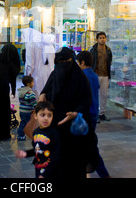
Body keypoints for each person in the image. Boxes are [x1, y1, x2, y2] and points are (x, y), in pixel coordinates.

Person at [38, 47, 99, 179]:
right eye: (61, 61)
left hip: (73, 132)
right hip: (56, 129)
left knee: (74, 166)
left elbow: (86, 101)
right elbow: (47, 88)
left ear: (72, 60)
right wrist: (42, 94)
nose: (64, 64)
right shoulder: (55, 74)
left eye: (67, 61)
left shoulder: (81, 79)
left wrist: (76, 113)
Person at [76, 51, 110, 178]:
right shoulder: (94, 75)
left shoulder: (82, 75)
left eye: (78, 63)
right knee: (88, 145)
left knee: (89, 147)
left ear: (83, 62)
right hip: (93, 112)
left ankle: (104, 173)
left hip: (85, 115)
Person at [15, 101, 60, 179]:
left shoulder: (54, 133)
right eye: (42, 115)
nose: (46, 118)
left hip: (50, 171)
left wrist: (45, 174)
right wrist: (26, 153)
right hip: (39, 167)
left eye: (49, 115)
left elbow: (56, 156)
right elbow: (37, 149)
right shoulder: (36, 132)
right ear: (35, 116)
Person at [21, 28, 55, 96]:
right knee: (47, 93)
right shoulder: (48, 42)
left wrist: (27, 75)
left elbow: (30, 64)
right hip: (49, 73)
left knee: (37, 94)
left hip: (37, 74)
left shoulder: (31, 43)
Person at [89, 32, 112, 122]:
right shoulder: (93, 50)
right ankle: (95, 113)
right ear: (97, 39)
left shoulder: (108, 50)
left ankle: (102, 113)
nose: (102, 39)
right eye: (100, 38)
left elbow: (109, 62)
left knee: (104, 95)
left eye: (104, 37)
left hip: (105, 75)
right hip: (96, 74)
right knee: (95, 94)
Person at [17, 76, 37, 141]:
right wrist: (37, 108)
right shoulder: (30, 93)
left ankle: (20, 135)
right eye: (32, 82)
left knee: (23, 123)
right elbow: (33, 103)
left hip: (21, 111)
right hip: (27, 112)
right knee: (28, 124)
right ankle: (26, 134)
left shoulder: (21, 92)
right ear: (28, 84)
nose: (33, 83)